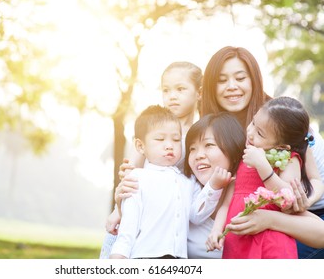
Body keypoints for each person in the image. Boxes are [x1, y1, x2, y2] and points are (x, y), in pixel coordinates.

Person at [200, 46, 324, 258]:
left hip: (308, 213)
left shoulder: (283, 121)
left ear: (254, 81)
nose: (232, 86)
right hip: (255, 213)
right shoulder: (216, 129)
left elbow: (314, 180)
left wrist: (306, 199)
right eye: (222, 80)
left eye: (240, 78)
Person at [100, 61, 203, 259]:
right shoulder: (151, 130)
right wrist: (118, 210)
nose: (172, 96)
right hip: (143, 213)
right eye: (166, 90)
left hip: (174, 222)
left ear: (198, 93)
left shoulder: (199, 132)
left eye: (181, 89)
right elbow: (130, 175)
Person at [109, 105, 226, 259]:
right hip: (145, 257)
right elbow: (128, 226)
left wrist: (213, 187)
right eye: (160, 139)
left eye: (176, 139)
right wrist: (118, 258)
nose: (169, 145)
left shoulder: (188, 180)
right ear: (140, 146)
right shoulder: (137, 178)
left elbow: (196, 216)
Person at [207, 96, 314, 258]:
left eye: (260, 133)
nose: (250, 133)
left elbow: (288, 197)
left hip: (271, 244)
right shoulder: (245, 157)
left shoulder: (287, 160)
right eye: (253, 123)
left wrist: (263, 166)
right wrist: (216, 230)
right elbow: (226, 203)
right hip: (238, 242)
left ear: (281, 146)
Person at [183, 112, 245, 258]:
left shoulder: (251, 194)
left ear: (233, 149)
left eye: (209, 145)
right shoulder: (185, 188)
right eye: (192, 149)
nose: (198, 155)